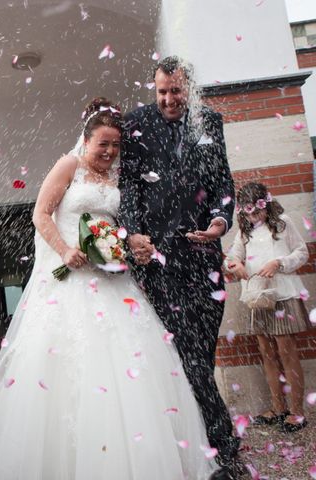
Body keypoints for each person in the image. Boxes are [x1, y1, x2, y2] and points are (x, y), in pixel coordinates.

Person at [0, 98, 216, 479]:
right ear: (86, 141)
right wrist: (65, 250)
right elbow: (40, 213)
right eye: (103, 144)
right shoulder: (68, 166)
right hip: (70, 280)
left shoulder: (115, 178)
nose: (110, 152)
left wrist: (130, 242)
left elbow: (113, 226)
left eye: (116, 146)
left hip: (111, 281)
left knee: (131, 365)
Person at [118, 56, 240, 479]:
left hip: (205, 258)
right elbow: (129, 186)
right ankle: (223, 448)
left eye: (176, 90)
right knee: (187, 354)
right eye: (161, 92)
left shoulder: (210, 121)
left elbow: (223, 181)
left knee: (201, 353)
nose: (169, 99)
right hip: (160, 262)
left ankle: (200, 440)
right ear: (154, 90)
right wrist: (133, 233)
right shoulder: (135, 124)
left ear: (190, 87)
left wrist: (221, 222)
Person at [226, 182, 310, 433]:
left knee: (287, 351)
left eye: (257, 211)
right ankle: (277, 406)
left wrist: (279, 263)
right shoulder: (244, 232)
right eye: (248, 213)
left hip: (283, 295)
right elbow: (231, 257)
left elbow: (302, 252)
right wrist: (235, 266)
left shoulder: (283, 223)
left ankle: (297, 411)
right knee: (266, 351)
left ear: (266, 204)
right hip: (258, 297)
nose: (253, 217)